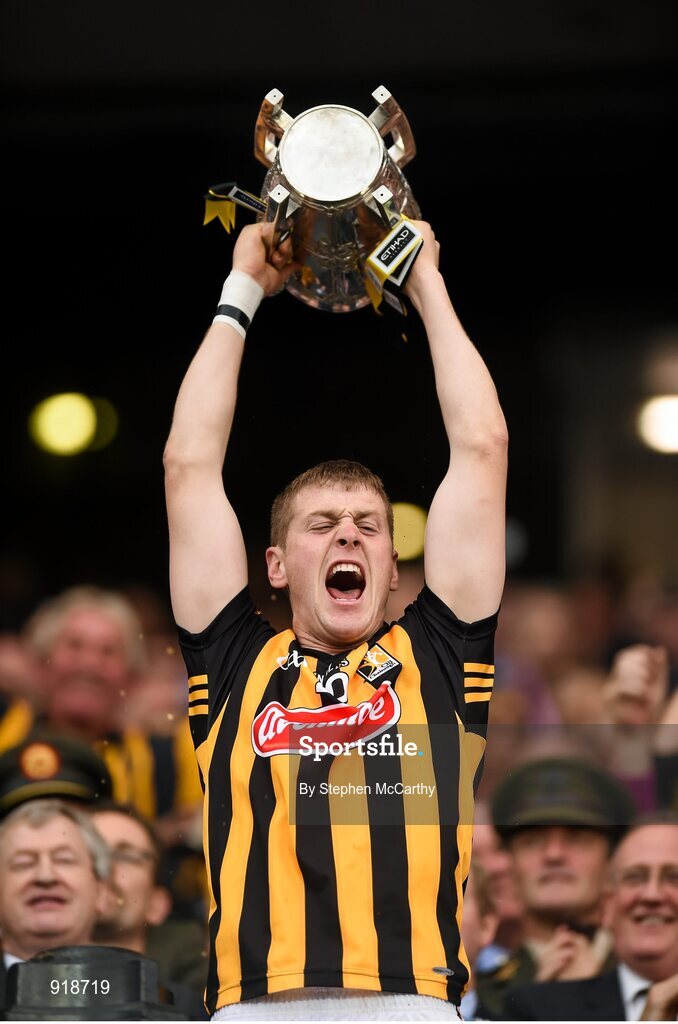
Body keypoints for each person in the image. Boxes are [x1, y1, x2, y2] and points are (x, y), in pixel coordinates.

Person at [164, 220, 508, 1019]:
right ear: (277, 568)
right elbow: (188, 466)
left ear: (393, 567)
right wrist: (243, 286)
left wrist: (423, 278)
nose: (348, 533)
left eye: (367, 525)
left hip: (411, 1000)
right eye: (320, 525)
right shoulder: (231, 660)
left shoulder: (442, 654)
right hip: (253, 1006)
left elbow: (483, 445)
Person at [0, 586, 202, 841]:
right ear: (40, 662)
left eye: (108, 652)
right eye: (74, 646)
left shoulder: (168, 759)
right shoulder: (5, 726)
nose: (90, 664)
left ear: (131, 679)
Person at [477, 757, 636, 1018]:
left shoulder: (649, 973)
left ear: (611, 864)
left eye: (577, 839)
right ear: (511, 867)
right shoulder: (481, 992)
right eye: (532, 841)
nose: (554, 855)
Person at [506, 814, 678, 1020]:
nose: (652, 895)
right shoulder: (535, 1009)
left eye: (674, 877)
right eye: (635, 877)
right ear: (607, 906)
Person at [90, 801, 208, 1019]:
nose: (104, 866)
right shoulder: (18, 983)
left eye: (125, 856)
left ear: (157, 904)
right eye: (91, 854)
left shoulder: (197, 1005)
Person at [0, 798, 111, 1006]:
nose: (45, 876)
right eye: (23, 863)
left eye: (64, 860)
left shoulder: (164, 1006)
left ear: (101, 892)